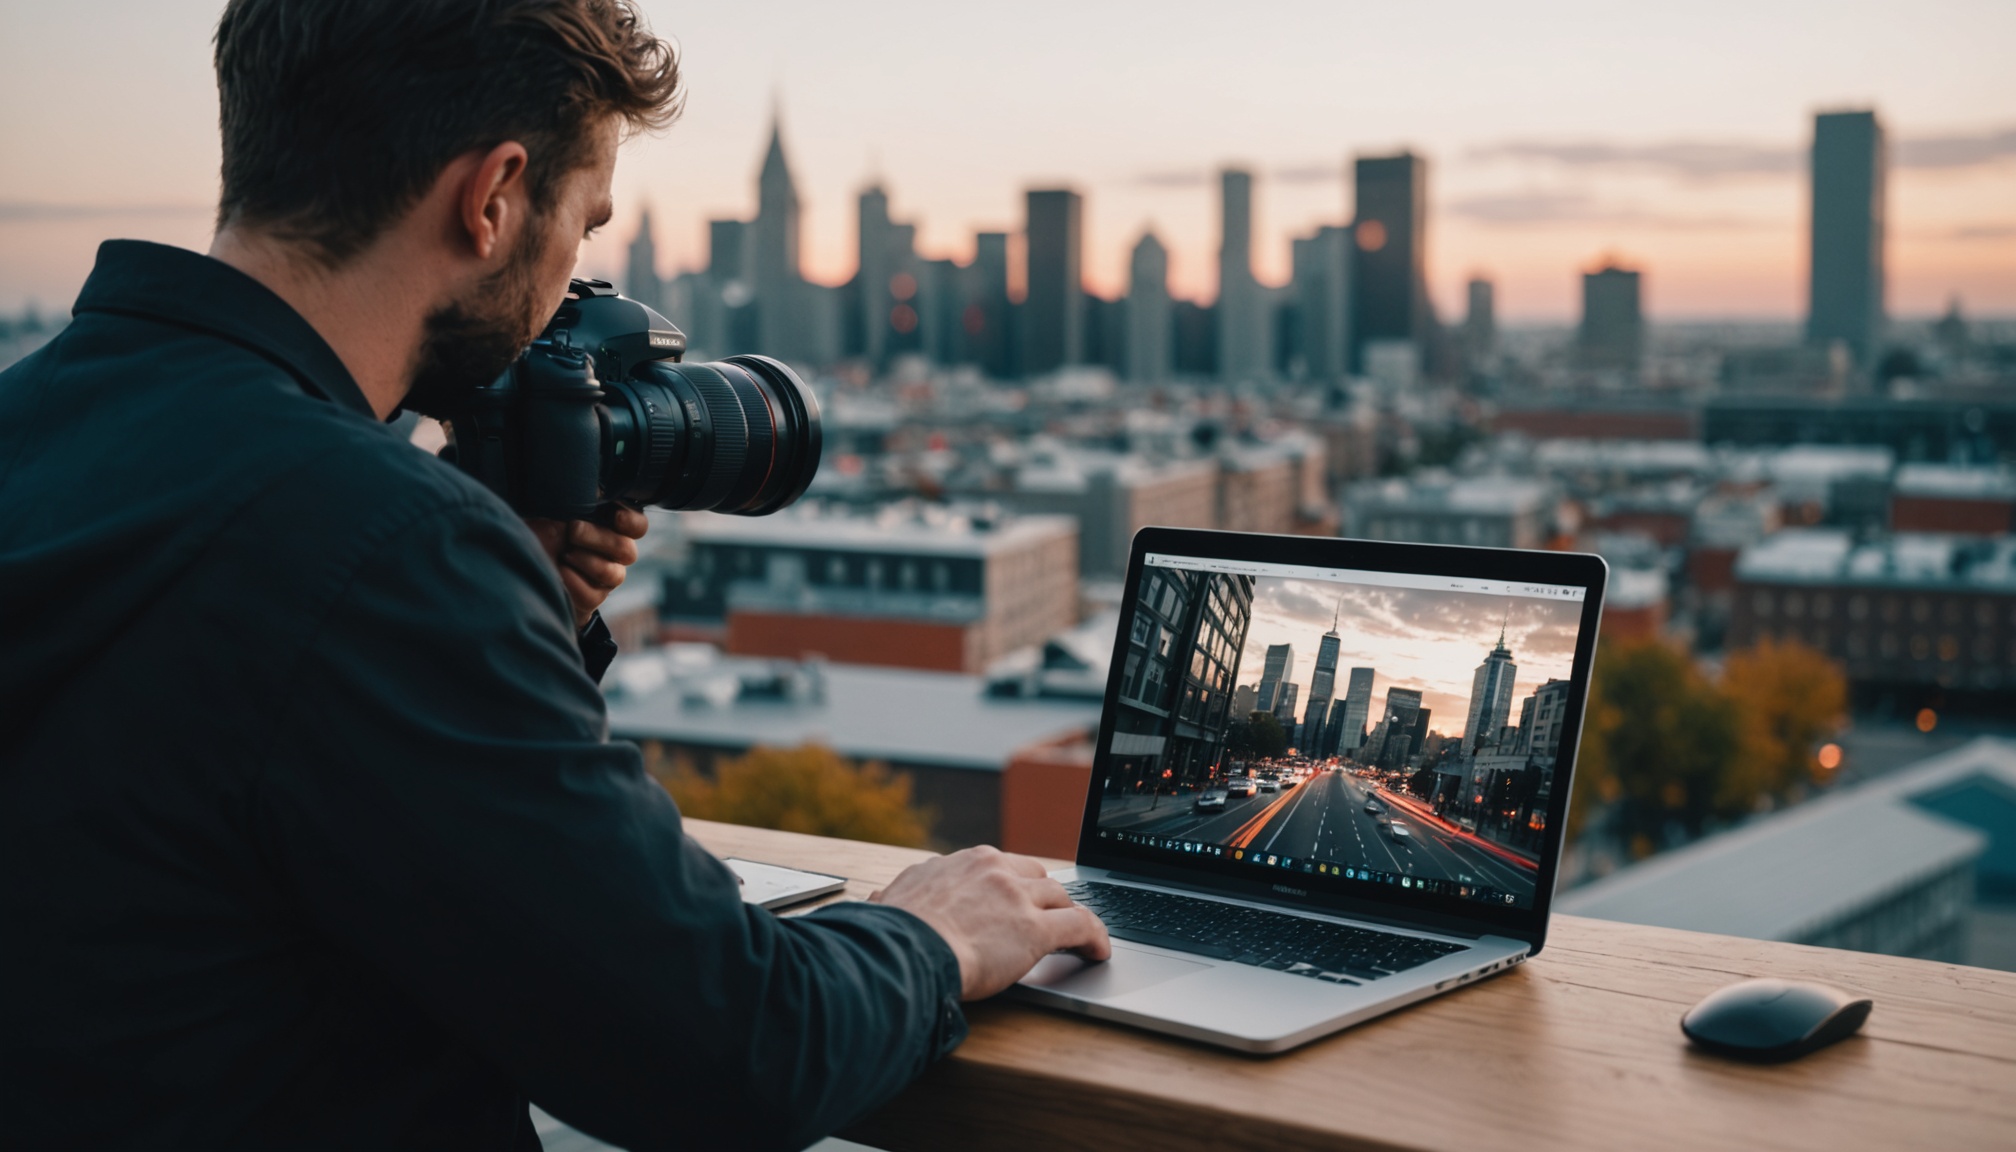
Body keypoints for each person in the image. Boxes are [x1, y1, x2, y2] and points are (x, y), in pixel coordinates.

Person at [0, 1, 1108, 1148]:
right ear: (493, 199)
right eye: (583, 225)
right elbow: (735, 1051)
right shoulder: (374, 540)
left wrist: (519, 612)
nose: (575, 278)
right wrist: (933, 936)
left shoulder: (34, 425)